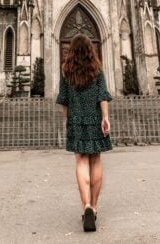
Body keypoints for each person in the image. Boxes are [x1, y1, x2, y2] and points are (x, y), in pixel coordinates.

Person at [56, 34, 112, 232]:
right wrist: (105, 117)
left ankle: (86, 205)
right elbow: (102, 96)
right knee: (95, 160)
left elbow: (63, 99)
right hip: (94, 120)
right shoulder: (97, 70)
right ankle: (94, 208)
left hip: (77, 121)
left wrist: (66, 119)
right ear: (91, 50)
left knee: (81, 161)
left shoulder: (66, 71)